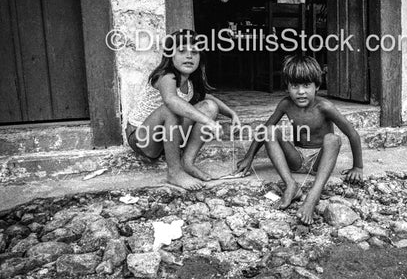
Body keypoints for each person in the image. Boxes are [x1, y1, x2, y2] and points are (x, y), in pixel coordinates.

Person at [235, 55, 363, 224]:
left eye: (306, 85)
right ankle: (291, 184)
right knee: (269, 130)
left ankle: (313, 197)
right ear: (287, 87)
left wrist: (358, 167)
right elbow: (264, 129)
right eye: (294, 86)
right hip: (296, 158)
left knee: (333, 139)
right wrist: (249, 157)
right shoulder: (286, 104)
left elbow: (352, 133)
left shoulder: (324, 107)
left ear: (317, 86)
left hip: (319, 160)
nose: (300, 91)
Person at [127, 29, 241, 190]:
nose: (189, 56)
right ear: (170, 55)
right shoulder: (165, 76)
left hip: (165, 138)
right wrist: (208, 121)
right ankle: (174, 172)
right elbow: (171, 101)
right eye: (182, 51)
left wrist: (231, 113)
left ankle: (187, 162)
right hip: (143, 139)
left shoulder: (191, 82)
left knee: (210, 107)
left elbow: (208, 98)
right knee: (172, 110)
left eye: (195, 52)